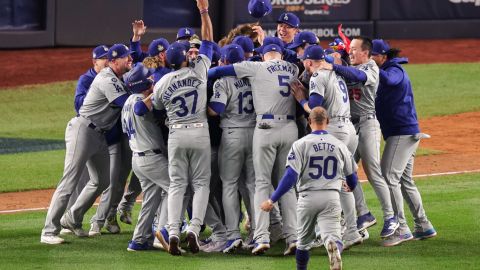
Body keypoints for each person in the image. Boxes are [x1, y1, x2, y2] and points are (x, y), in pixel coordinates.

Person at [208, 37, 299, 256]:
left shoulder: (254, 67)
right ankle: (293, 236)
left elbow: (216, 76)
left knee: (256, 183)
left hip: (260, 129)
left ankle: (257, 236)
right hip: (289, 128)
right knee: (284, 183)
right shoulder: (293, 67)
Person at [40, 44, 132, 244]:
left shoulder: (118, 77)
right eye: (126, 58)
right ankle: (48, 231)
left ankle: (72, 218)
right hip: (83, 130)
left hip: (100, 135)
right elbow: (125, 102)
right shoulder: (106, 78)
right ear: (114, 62)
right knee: (69, 181)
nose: (130, 60)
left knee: (103, 180)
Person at [316, 37, 399, 239]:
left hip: (368, 123)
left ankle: (391, 217)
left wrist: (334, 65)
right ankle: (364, 214)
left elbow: (358, 77)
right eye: (349, 50)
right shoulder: (347, 64)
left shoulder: (371, 68)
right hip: (349, 127)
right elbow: (335, 60)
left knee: (372, 171)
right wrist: (332, 57)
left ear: (365, 53)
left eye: (354, 50)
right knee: (347, 170)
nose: (350, 53)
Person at [148, 0, 214, 256]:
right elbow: (208, 39)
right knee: (201, 184)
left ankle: (173, 231)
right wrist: (204, 11)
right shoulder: (199, 72)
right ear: (186, 58)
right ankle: (194, 229)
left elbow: (155, 106)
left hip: (176, 133)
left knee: (177, 185)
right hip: (199, 132)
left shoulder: (163, 81)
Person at [261, 107, 358, 270]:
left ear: (309, 121)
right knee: (334, 237)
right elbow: (352, 176)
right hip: (331, 197)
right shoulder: (340, 145)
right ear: (327, 122)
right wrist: (351, 187)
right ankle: (333, 246)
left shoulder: (300, 145)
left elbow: (290, 176)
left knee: (303, 244)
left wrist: (272, 199)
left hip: (307, 198)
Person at [290, 45, 361, 249]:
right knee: (342, 183)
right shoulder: (335, 73)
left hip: (333, 130)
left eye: (305, 61)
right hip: (349, 129)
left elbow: (315, 109)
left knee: (322, 182)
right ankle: (352, 231)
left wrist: (301, 99)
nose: (304, 65)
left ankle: (325, 233)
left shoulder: (318, 76)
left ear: (310, 62)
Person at [370, 39, 437, 246]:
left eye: (373, 56)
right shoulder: (382, 68)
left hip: (402, 133)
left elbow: (390, 80)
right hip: (404, 133)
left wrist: (370, 66)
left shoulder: (395, 69)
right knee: (405, 181)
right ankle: (423, 225)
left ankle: (401, 228)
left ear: (383, 56)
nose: (371, 59)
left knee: (388, 175)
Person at [208, 44, 256, 253]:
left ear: (225, 61)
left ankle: (233, 235)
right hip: (255, 135)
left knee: (229, 185)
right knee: (253, 185)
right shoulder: (255, 77)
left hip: (232, 135)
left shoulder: (223, 81)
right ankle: (258, 233)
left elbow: (215, 110)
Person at [120, 64, 171, 251]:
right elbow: (142, 108)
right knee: (176, 189)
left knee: (151, 197)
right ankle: (164, 231)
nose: (152, 79)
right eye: (149, 78)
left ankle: (139, 239)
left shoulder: (126, 102)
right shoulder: (137, 101)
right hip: (151, 158)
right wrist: (157, 91)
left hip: (139, 158)